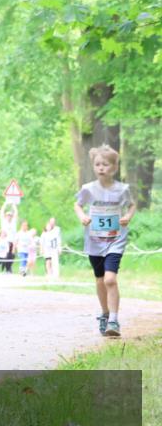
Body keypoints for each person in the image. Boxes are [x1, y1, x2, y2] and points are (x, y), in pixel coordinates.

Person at [73, 144, 136, 337]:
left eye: (106, 164)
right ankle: (105, 313)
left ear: (114, 168)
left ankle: (114, 320)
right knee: (100, 280)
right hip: (94, 241)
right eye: (98, 164)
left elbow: (132, 205)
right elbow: (77, 204)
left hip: (115, 240)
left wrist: (128, 217)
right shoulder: (88, 189)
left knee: (110, 279)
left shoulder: (122, 189)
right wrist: (82, 216)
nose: (101, 168)